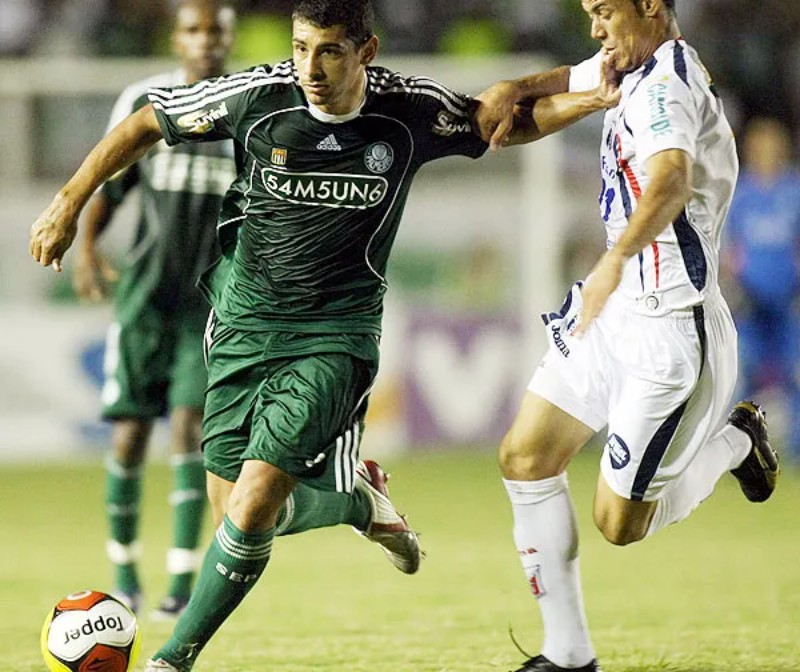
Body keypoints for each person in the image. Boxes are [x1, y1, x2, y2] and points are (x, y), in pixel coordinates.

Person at [30, 0, 624, 667]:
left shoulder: (407, 109)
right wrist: (68, 202)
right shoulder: (258, 97)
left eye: (330, 51)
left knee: (253, 505)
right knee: (236, 516)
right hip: (242, 325)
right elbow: (147, 120)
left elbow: (500, 123)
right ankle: (354, 503)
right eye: (300, 48)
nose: (310, 67)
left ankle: (172, 658)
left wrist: (592, 99)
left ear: (366, 51)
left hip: (334, 335)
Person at [476, 1, 780, 670]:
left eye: (605, 11)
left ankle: (736, 441)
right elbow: (573, 77)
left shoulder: (669, 84)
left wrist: (615, 259)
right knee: (525, 457)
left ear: (649, 7)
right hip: (612, 312)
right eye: (589, 12)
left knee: (619, 525)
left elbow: (670, 178)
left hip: (671, 330)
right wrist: (516, 88)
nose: (595, 28)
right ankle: (569, 654)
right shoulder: (631, 60)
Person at [70, 0, 238, 621]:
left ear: (229, 39)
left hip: (208, 299)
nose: (206, 41)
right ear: (176, 39)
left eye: (216, 32)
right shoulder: (147, 100)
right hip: (145, 293)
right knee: (131, 432)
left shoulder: (246, 107)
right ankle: (124, 576)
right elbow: (113, 182)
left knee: (191, 426)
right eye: (194, 30)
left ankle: (180, 582)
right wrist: (87, 245)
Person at [724, 117, 800, 463]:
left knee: (794, 374)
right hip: (751, 301)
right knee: (743, 377)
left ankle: (795, 450)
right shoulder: (740, 194)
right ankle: (736, 452)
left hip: (789, 302)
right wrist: (734, 286)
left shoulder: (793, 191)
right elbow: (728, 247)